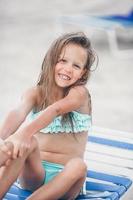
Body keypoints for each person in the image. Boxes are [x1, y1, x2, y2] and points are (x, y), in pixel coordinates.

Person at [0, 32, 96, 200]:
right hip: (34, 172)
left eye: (76, 66)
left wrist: (24, 133)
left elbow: (56, 110)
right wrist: (4, 139)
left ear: (83, 73)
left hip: (66, 179)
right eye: (63, 60)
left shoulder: (79, 94)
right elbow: (18, 112)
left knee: (79, 165)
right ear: (51, 60)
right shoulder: (35, 93)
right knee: (22, 143)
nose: (68, 69)